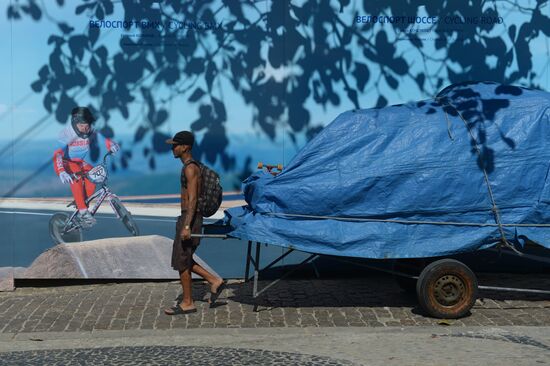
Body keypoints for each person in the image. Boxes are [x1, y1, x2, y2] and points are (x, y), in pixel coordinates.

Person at [164, 130, 225, 315]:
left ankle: (188, 302)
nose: (173, 148)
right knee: (182, 258)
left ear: (186, 147)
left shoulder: (190, 168)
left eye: (176, 145)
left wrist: (187, 225)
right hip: (188, 217)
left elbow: (193, 199)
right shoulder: (189, 167)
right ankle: (213, 280)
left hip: (190, 217)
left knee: (182, 261)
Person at [53, 106, 119, 228]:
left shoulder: (89, 130)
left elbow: (103, 137)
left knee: (93, 178)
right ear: (75, 123)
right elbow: (57, 154)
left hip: (79, 162)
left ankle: (81, 205)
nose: (86, 128)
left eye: (88, 124)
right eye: (82, 125)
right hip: (66, 162)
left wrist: (111, 145)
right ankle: (83, 212)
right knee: (76, 179)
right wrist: (61, 171)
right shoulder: (65, 134)